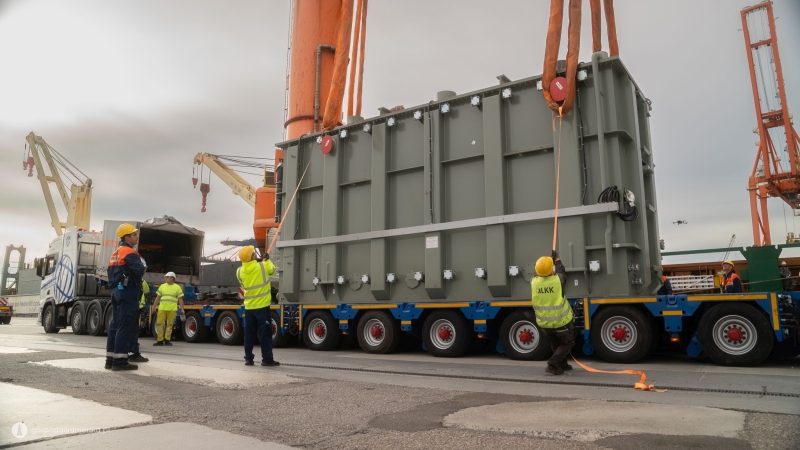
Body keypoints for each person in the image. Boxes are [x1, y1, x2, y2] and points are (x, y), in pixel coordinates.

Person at [105, 223, 145, 371]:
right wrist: (142, 267)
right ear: (127, 237)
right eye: (134, 235)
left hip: (116, 291)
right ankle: (120, 361)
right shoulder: (129, 253)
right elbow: (140, 270)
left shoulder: (115, 253)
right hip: (127, 292)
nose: (137, 237)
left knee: (115, 324)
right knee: (125, 325)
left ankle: (110, 359)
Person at [531, 250, 573, 375]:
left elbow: (540, 273)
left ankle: (562, 365)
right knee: (568, 343)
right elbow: (562, 270)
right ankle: (552, 364)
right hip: (561, 321)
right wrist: (557, 260)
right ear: (551, 270)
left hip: (544, 322)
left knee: (555, 343)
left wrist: (546, 265)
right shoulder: (557, 280)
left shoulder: (534, 282)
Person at [236, 246, 279, 367]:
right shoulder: (263, 266)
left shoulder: (239, 271)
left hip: (249, 307)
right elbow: (273, 271)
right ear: (252, 256)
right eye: (254, 253)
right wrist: (267, 260)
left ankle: (248, 359)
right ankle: (267, 359)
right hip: (262, 307)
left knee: (249, 334)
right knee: (265, 333)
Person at [152, 272, 184, 346]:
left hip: (172, 309)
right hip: (162, 308)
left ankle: (167, 340)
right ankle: (159, 340)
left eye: (167, 277)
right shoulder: (162, 286)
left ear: (172, 278)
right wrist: (154, 306)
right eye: (166, 277)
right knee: (159, 324)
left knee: (169, 325)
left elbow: (180, 299)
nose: (166, 278)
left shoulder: (177, 287)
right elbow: (158, 298)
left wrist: (182, 309)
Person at [128, 258, 150, 363]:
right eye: (144, 268)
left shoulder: (129, 279)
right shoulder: (140, 281)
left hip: (134, 307)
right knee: (132, 330)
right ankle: (132, 352)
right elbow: (146, 293)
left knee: (131, 329)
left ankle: (130, 351)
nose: (144, 271)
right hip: (134, 308)